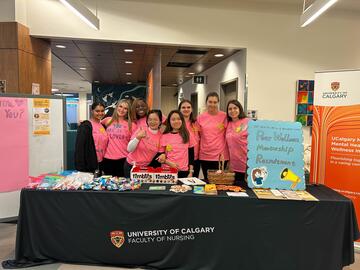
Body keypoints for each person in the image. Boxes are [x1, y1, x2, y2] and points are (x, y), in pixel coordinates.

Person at [197, 92, 228, 180]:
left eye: (215, 102)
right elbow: (198, 135)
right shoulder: (200, 117)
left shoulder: (225, 116)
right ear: (206, 103)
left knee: (219, 182)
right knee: (208, 181)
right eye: (210, 102)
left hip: (220, 156)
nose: (212, 104)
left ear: (218, 103)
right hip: (204, 155)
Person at [102, 99, 136, 177]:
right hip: (107, 159)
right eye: (120, 106)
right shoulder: (107, 120)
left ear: (128, 111)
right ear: (116, 107)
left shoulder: (132, 125)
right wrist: (85, 123)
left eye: (125, 108)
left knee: (122, 186)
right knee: (108, 186)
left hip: (123, 160)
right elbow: (95, 125)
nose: (122, 110)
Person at [124, 109, 163, 178]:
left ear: (160, 121)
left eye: (155, 119)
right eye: (150, 119)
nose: (152, 122)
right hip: (131, 166)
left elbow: (160, 154)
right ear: (147, 121)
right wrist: (138, 137)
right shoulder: (141, 129)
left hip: (146, 168)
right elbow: (129, 149)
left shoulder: (161, 137)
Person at [157, 110, 195, 178]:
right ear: (169, 122)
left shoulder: (188, 135)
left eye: (178, 119)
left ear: (182, 121)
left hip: (183, 171)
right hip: (167, 171)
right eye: (173, 119)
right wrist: (170, 163)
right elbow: (160, 157)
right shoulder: (164, 136)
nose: (176, 121)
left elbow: (191, 155)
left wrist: (191, 172)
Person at [74, 102, 108, 174]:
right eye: (97, 111)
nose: (100, 113)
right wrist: (81, 168)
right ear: (92, 111)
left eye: (102, 111)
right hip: (90, 164)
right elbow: (79, 148)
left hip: (102, 162)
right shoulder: (85, 126)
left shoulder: (103, 126)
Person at [225, 100, 250, 186]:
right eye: (230, 109)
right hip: (233, 165)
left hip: (247, 164)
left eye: (235, 108)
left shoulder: (247, 122)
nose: (232, 111)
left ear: (240, 109)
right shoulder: (228, 123)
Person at [178, 99, 200, 178]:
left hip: (195, 159)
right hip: (182, 159)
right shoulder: (177, 123)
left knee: (194, 182)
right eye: (183, 107)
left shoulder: (196, 123)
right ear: (179, 109)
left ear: (192, 109)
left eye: (188, 107)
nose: (186, 109)